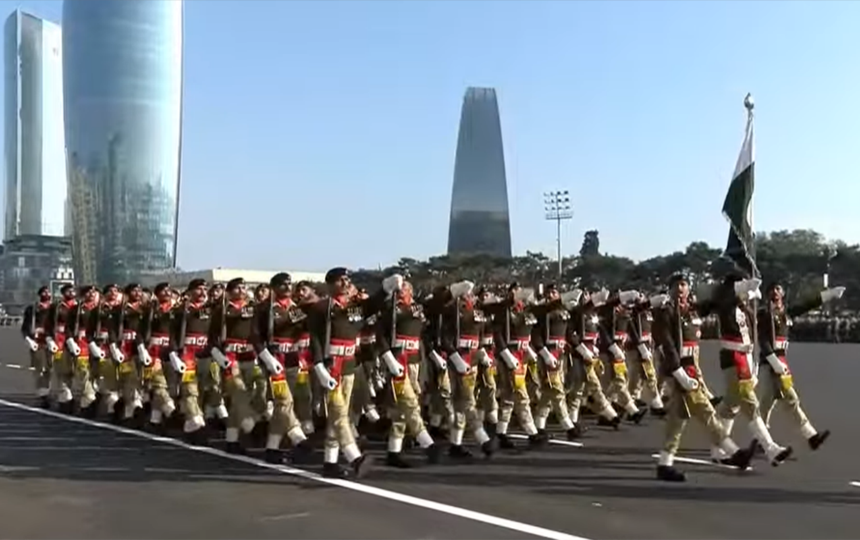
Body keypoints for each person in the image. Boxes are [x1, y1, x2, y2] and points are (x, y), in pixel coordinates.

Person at [651, 273, 756, 482]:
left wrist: (737, 291)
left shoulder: (693, 310)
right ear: (670, 289)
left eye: (684, 285)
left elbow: (718, 302)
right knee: (706, 411)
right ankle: (734, 453)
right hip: (679, 370)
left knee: (677, 421)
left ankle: (664, 463)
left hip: (692, 368)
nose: (681, 289)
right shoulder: (666, 312)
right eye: (677, 285)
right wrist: (679, 373)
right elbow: (667, 345)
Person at [757, 282, 843, 451]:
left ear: (782, 294)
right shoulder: (765, 315)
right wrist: (774, 362)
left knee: (778, 401)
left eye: (778, 289)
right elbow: (763, 341)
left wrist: (829, 294)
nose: (775, 292)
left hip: (782, 363)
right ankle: (808, 437)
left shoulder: (787, 313)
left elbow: (808, 304)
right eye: (772, 289)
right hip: (769, 364)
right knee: (779, 400)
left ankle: (764, 438)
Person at [376, 279, 441, 467]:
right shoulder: (390, 310)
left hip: (415, 361)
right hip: (399, 361)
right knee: (408, 402)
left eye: (404, 287)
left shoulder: (418, 309)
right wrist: (388, 359)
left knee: (402, 409)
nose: (400, 290)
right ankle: (427, 442)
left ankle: (393, 450)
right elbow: (380, 335)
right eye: (399, 287)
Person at [21, 286, 54, 407]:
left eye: (48, 292)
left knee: (51, 369)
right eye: (44, 292)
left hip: (52, 342)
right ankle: (43, 394)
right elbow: (25, 327)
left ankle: (49, 391)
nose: (47, 294)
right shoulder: (32, 309)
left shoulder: (54, 308)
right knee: (40, 369)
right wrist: (28, 340)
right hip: (37, 342)